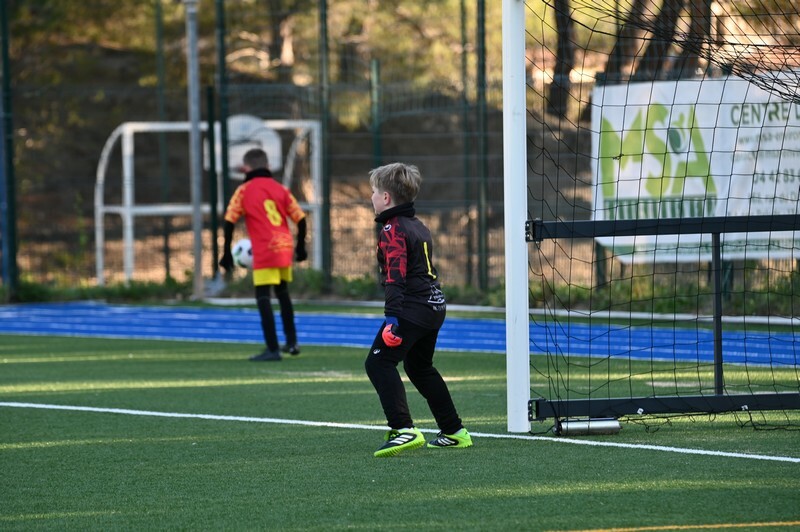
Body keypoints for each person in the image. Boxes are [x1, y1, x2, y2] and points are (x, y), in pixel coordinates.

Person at [365, 162, 472, 457]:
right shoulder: (418, 225)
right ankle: (454, 430)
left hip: (411, 308)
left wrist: (392, 318)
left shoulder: (392, 228)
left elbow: (395, 276)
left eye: (373, 192)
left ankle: (403, 429)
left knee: (378, 364)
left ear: (386, 197)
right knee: (419, 367)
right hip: (433, 305)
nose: (371, 197)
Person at [219, 148, 307, 362]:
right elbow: (301, 219)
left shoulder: (244, 190)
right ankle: (292, 342)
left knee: (263, 297)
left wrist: (226, 252)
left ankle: (272, 348)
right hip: (284, 245)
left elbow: (229, 220)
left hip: (264, 248)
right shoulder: (281, 188)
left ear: (245, 168)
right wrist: (301, 247)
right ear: (268, 166)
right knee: (283, 293)